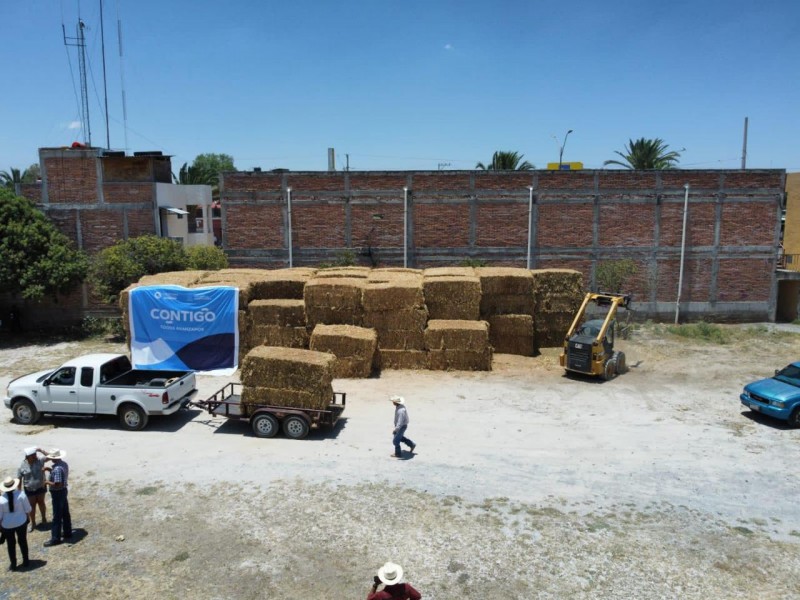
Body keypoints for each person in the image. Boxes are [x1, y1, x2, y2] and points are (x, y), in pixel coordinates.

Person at [0, 476, 32, 571]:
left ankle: (13, 564)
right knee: (22, 541)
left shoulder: (1, 499)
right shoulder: (21, 495)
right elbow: (28, 509)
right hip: (21, 522)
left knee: (10, 544)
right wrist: (28, 517)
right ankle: (26, 561)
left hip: (7, 525)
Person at [43, 449, 71, 547]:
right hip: (63, 491)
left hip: (58, 493)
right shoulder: (63, 464)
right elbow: (59, 476)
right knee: (65, 512)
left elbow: (57, 484)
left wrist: (46, 482)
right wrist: (49, 470)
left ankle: (55, 538)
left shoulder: (57, 469)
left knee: (57, 516)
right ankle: (67, 532)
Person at [18, 447, 47, 532]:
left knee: (41, 503)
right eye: (33, 455)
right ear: (27, 456)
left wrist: (41, 450)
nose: (35, 456)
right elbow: (19, 478)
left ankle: (44, 519)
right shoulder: (22, 465)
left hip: (40, 487)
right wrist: (19, 492)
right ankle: (33, 523)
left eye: (35, 454)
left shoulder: (40, 461)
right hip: (29, 489)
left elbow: (52, 456)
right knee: (32, 506)